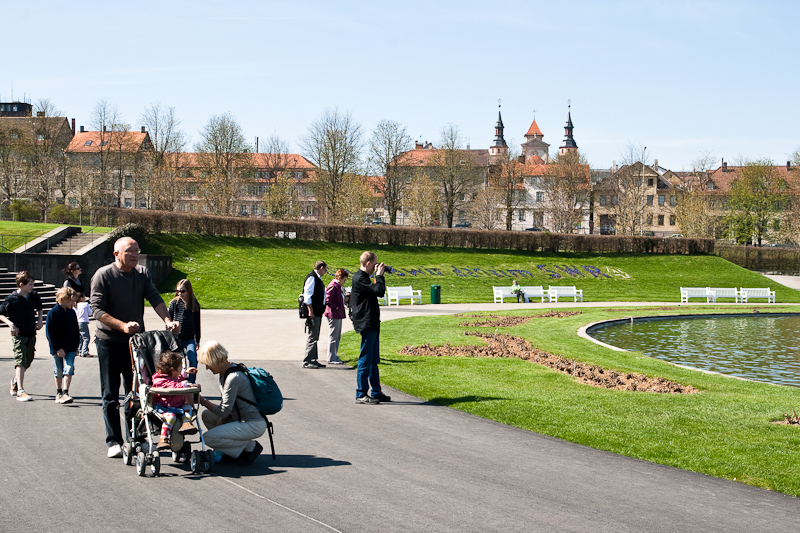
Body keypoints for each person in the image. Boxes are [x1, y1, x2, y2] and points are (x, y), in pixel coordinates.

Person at [90, 236, 180, 458]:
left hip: (136, 344)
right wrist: (122, 326)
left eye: (137, 251)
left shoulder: (142, 273)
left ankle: (137, 438)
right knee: (110, 394)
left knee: (139, 393)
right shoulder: (103, 275)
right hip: (109, 342)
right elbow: (97, 310)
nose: (135, 255)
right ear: (116, 254)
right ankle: (114, 441)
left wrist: (168, 321)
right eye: (129, 251)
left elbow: (154, 298)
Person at [197, 340, 266, 465]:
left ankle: (249, 447)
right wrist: (219, 424)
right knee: (207, 415)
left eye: (207, 364)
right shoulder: (227, 373)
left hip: (253, 424)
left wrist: (202, 400)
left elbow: (223, 411)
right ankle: (230, 449)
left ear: (215, 360)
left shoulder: (233, 378)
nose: (207, 368)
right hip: (241, 419)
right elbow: (229, 408)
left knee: (208, 438)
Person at [350, 251, 391, 404]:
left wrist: (377, 276)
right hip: (366, 322)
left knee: (373, 359)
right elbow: (379, 291)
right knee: (365, 358)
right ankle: (361, 393)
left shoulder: (364, 278)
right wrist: (379, 276)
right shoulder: (359, 278)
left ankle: (376, 392)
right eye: (374, 264)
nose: (376, 267)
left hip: (372, 321)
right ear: (368, 263)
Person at [1, 271, 44, 402]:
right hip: (18, 334)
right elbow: (1, 314)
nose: (32, 286)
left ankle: (15, 380)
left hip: (31, 332)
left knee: (28, 359)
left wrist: (40, 320)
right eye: (30, 284)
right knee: (20, 360)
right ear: (21, 284)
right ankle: (20, 390)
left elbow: (39, 307)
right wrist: (10, 324)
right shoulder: (12, 299)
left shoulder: (33, 296)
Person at [151, 350, 198, 450]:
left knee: (188, 407)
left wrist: (185, 373)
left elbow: (177, 380)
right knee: (171, 417)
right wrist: (185, 384)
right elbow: (172, 386)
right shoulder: (159, 379)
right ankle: (163, 438)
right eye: (180, 368)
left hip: (177, 405)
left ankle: (186, 423)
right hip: (164, 407)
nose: (182, 370)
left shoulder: (174, 376)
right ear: (173, 370)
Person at [45, 287, 80, 404]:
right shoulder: (52, 313)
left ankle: (66, 392)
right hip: (57, 348)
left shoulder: (72, 313)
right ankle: (59, 392)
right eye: (71, 301)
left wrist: (76, 347)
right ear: (64, 299)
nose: (73, 303)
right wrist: (57, 348)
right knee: (58, 370)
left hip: (70, 346)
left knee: (69, 368)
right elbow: (50, 333)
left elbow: (76, 330)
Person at [168, 279, 201, 383]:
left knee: (193, 358)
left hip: (189, 337)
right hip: (176, 338)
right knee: (178, 361)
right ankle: (178, 382)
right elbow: (168, 321)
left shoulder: (194, 304)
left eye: (182, 291)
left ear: (188, 290)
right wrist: (169, 336)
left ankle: (191, 382)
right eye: (178, 291)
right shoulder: (174, 303)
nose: (180, 293)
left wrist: (197, 340)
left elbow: (197, 324)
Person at [301, 260, 328, 369]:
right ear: (321, 268)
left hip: (318, 311)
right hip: (314, 311)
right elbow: (307, 295)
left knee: (315, 336)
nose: (325, 272)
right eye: (325, 269)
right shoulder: (312, 278)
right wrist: (310, 310)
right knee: (312, 336)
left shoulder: (317, 278)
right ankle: (307, 361)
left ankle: (313, 359)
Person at [323, 269, 349, 365]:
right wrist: (337, 308)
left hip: (337, 314)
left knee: (337, 336)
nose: (344, 282)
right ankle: (331, 357)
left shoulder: (338, 286)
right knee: (333, 336)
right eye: (344, 280)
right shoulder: (333, 286)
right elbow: (328, 300)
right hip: (333, 314)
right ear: (339, 278)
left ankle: (334, 355)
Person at [75, 293, 92, 357]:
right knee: (86, 338)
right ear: (81, 298)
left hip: (77, 322)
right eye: (84, 297)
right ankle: (84, 351)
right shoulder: (85, 304)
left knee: (80, 338)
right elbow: (90, 313)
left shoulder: (75, 305)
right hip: (83, 322)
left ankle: (80, 350)